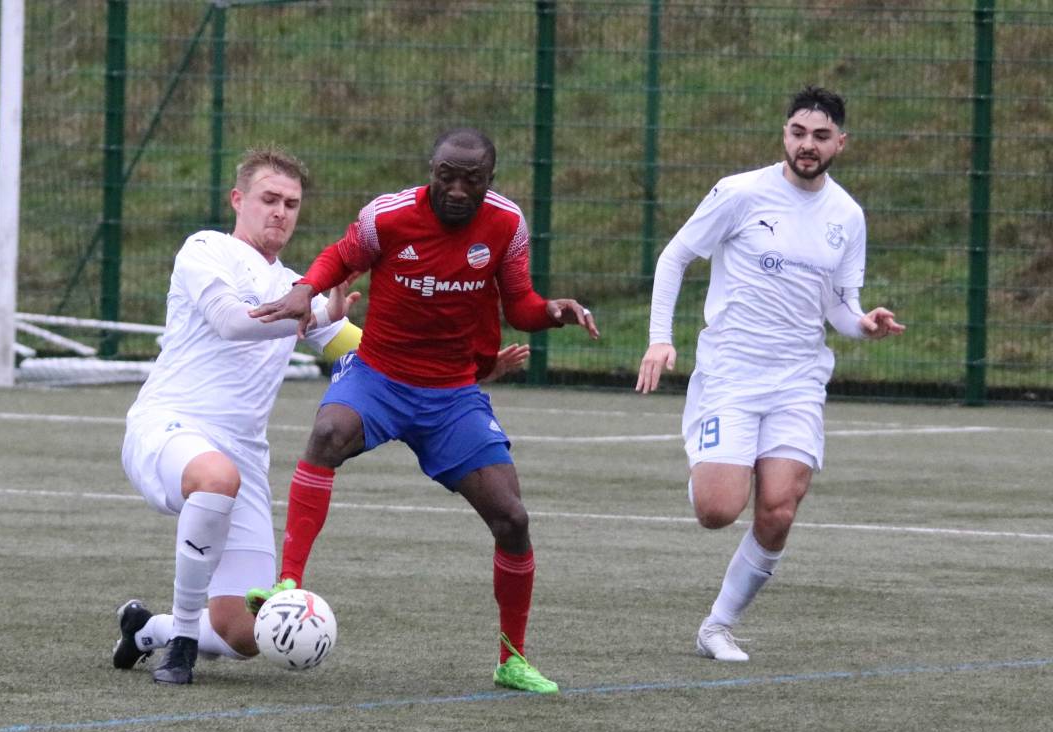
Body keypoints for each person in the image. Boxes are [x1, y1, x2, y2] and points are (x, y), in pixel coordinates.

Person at [245, 127, 600, 694]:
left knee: (512, 519)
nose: (458, 189)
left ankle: (512, 658)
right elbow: (340, 256)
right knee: (327, 432)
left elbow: (522, 306)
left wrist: (555, 311)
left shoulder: (506, 226)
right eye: (446, 176)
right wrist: (305, 290)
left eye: (472, 180)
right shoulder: (387, 217)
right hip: (379, 377)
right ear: (430, 170)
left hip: (452, 397)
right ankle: (287, 582)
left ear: (490, 180)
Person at [635, 86, 905, 662]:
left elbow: (839, 306)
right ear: (785, 134)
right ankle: (710, 468)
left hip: (798, 379)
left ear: (841, 143)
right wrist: (661, 338)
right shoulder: (740, 193)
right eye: (798, 133)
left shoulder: (847, 216)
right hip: (731, 372)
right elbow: (675, 257)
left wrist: (865, 324)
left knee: (780, 506)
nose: (807, 145)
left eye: (821, 136)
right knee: (717, 512)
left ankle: (717, 626)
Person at [112, 146, 363, 685]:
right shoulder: (206, 249)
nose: (280, 212)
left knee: (246, 634)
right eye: (268, 198)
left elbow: (363, 353)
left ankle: (144, 630)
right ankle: (180, 640)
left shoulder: (301, 287)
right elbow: (231, 322)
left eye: (291, 203)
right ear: (238, 200)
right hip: (170, 425)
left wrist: (455, 370)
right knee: (215, 477)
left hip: (245, 454)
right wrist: (314, 310)